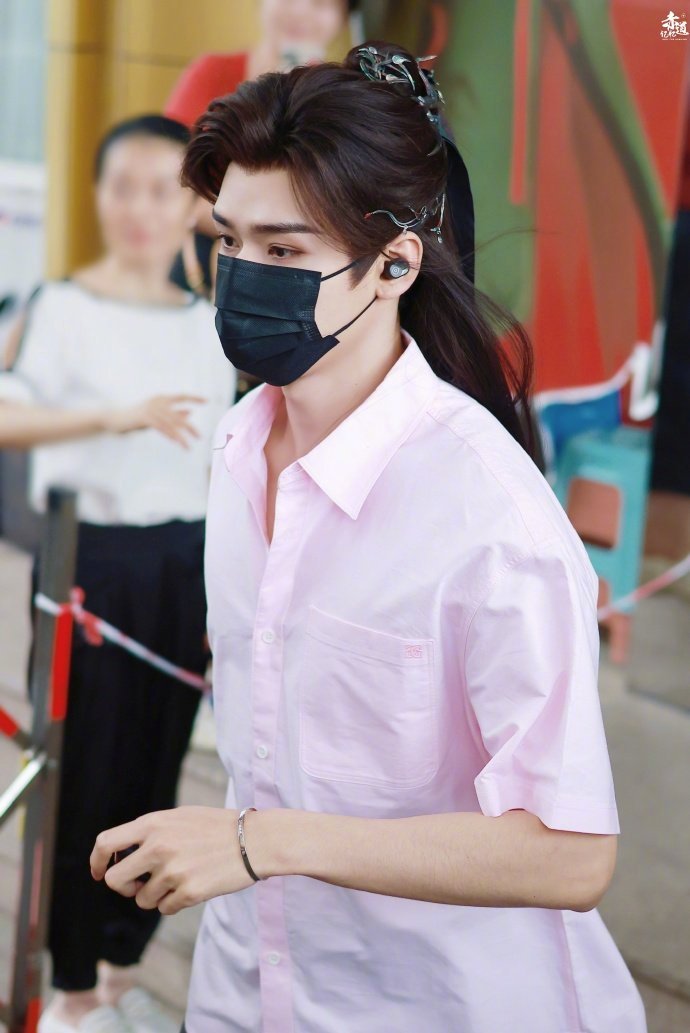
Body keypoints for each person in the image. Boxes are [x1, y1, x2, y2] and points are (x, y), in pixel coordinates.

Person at [91, 44, 647, 1033]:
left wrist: (260, 842)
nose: (241, 276)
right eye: (229, 241)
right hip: (247, 990)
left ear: (394, 263)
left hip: (442, 1007)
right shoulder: (236, 446)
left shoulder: (492, 518)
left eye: (283, 251)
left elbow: (571, 853)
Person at [0, 114, 236, 1033]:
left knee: (153, 767)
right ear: (96, 196)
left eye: (160, 189)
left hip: (186, 566)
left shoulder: (210, 321)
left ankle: (119, 968)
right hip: (89, 567)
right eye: (121, 186)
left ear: (193, 204)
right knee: (80, 776)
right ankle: (68, 987)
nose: (140, 207)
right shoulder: (59, 306)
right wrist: (115, 416)